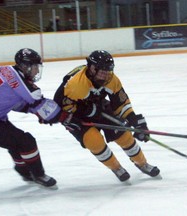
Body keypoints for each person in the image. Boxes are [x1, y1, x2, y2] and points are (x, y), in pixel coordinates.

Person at [0, 48, 65, 187]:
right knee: (27, 142)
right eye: (34, 67)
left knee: (16, 142)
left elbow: (14, 102)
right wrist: (63, 116)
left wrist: (36, 111)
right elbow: (45, 107)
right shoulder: (26, 87)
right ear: (24, 66)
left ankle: (24, 172)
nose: (36, 71)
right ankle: (38, 175)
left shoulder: (7, 70)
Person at [53, 50, 160, 182]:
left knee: (123, 134)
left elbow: (121, 103)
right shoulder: (76, 85)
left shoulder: (111, 79)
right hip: (75, 115)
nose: (105, 75)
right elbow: (61, 107)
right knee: (94, 141)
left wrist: (134, 120)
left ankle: (142, 163)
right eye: (102, 71)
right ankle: (116, 167)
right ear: (92, 68)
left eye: (108, 70)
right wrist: (83, 112)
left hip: (98, 106)